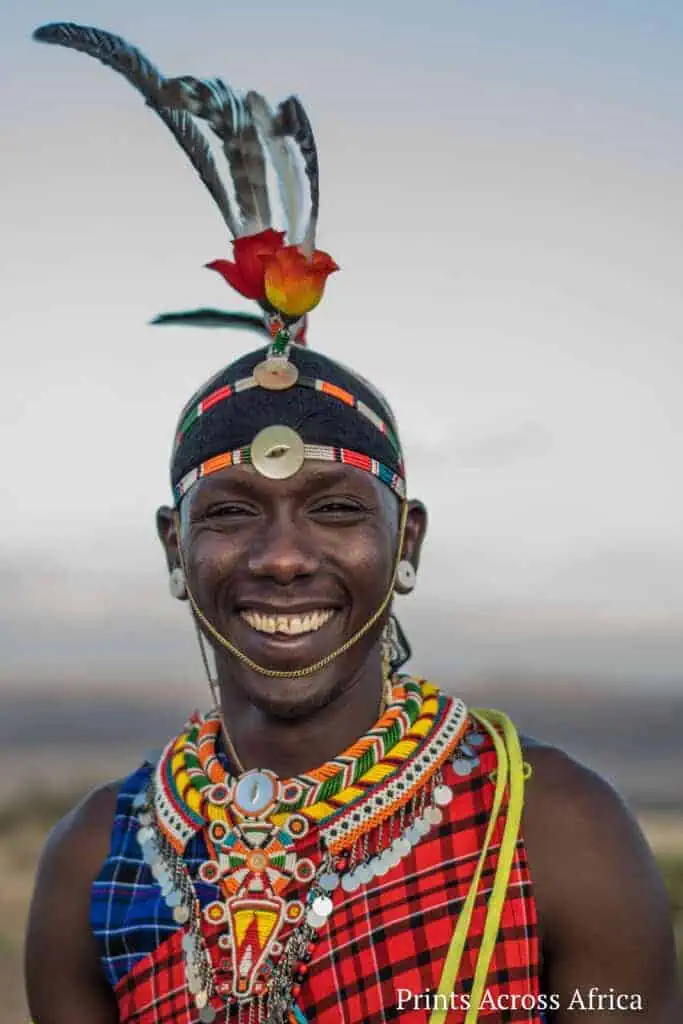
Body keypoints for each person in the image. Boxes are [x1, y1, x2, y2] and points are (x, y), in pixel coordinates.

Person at [25, 21, 682, 1024]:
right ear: (174, 548)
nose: (282, 556)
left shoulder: (552, 830)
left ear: (405, 540)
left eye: (335, 509)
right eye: (232, 512)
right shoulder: (93, 862)